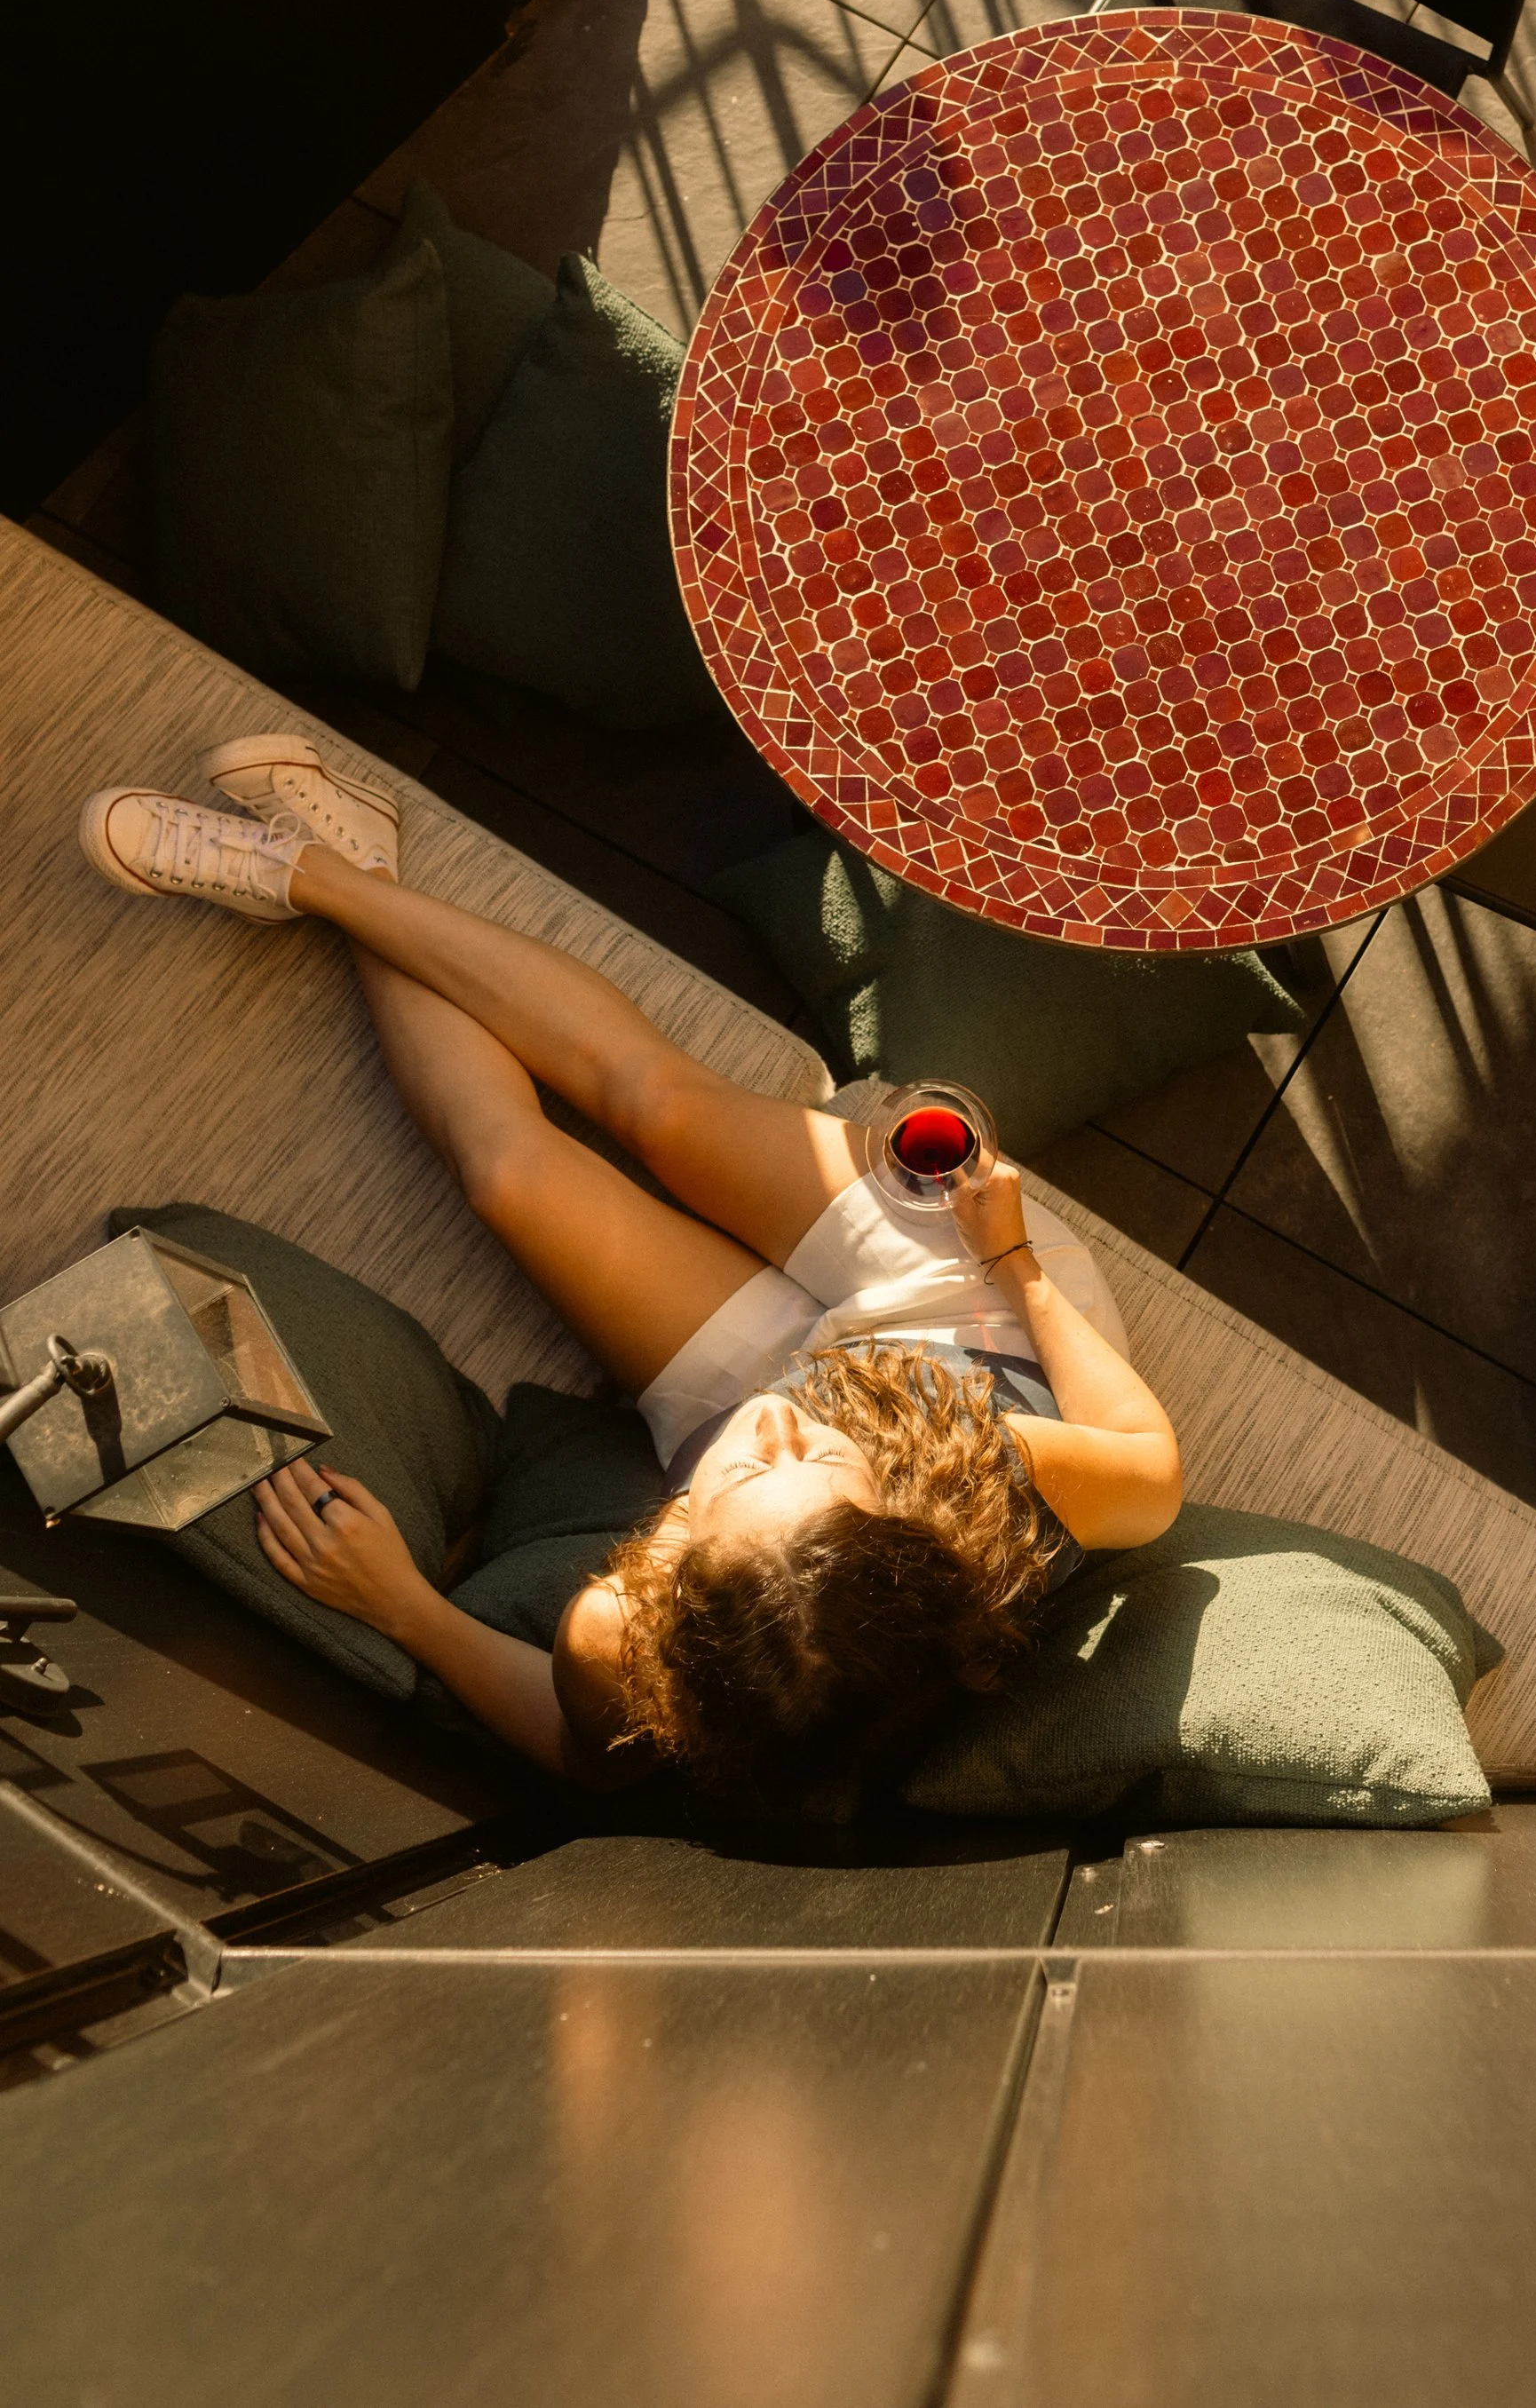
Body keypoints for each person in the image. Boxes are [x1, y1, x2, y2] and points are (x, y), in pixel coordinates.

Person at [78, 741, 1182, 1818]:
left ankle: (351, 864)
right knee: (655, 1107)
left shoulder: (638, 1632)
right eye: (816, 1466)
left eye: (747, 1481)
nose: (779, 1434)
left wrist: (409, 1610)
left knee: (510, 1175)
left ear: (682, 1578)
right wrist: (1013, 1256)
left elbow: (581, 1750)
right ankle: (310, 871)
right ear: (906, 1530)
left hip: (797, 1394)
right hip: (958, 1321)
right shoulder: (978, 1485)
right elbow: (1149, 1465)